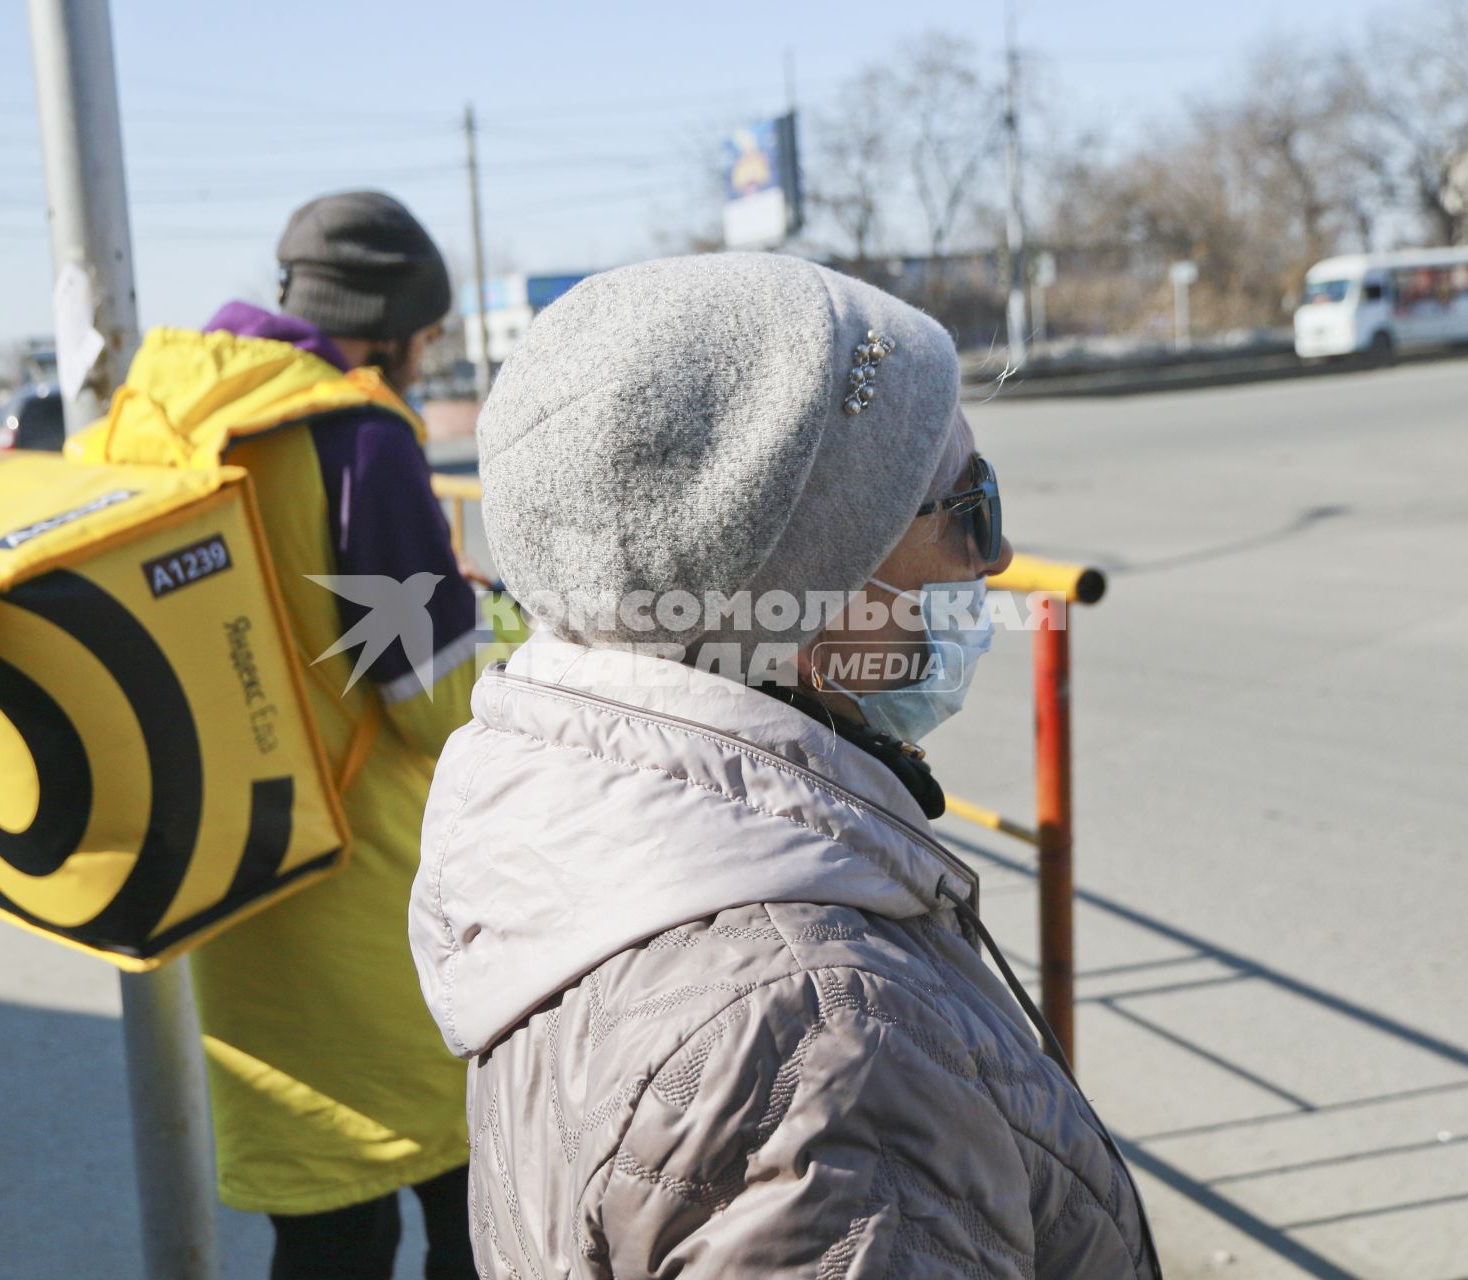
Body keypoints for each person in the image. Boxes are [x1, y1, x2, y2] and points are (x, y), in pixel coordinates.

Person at [409, 253, 1160, 1276]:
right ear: (809, 591)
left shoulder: (562, 822)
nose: (995, 560)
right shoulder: (832, 1057)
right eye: (969, 504)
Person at [170, 191, 501, 1278]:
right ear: (397, 323)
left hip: (234, 871)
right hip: (368, 888)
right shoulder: (355, 438)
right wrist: (505, 625)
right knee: (474, 1199)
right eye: (430, 333)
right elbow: (430, 697)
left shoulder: (183, 413)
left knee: (325, 1228)